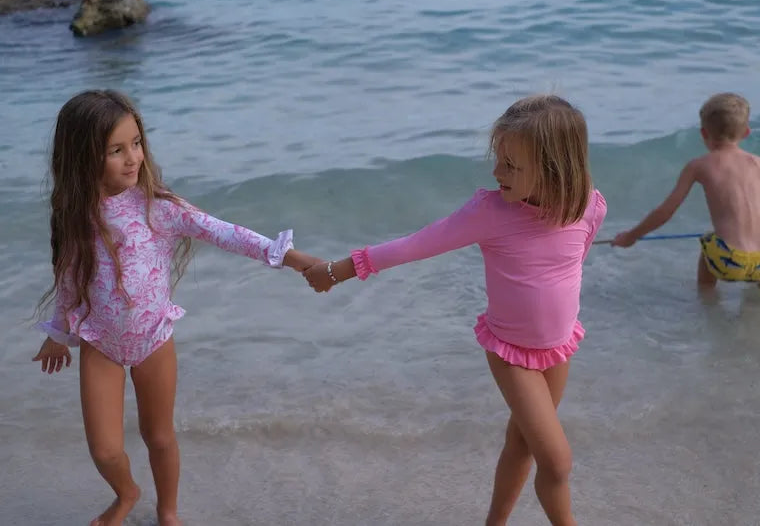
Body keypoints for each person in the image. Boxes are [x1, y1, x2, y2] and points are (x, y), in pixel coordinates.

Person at [305, 95, 606, 526]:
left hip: (559, 346)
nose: (496, 173)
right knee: (557, 462)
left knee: (522, 445)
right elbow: (414, 245)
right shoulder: (489, 211)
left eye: (510, 165)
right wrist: (337, 271)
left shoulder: (589, 206)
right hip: (510, 349)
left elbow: (572, 265)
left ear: (554, 167)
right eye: (498, 160)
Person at [32, 90, 319, 526]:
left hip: (153, 340)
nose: (133, 158)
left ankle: (169, 514)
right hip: (100, 341)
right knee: (105, 450)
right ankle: (126, 493)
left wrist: (289, 258)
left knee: (159, 436)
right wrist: (58, 333)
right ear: (82, 156)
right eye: (116, 150)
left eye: (136, 143)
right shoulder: (76, 214)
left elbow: (226, 233)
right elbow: (71, 277)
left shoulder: (157, 207)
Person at [612, 93, 760, 301]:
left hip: (728, 260)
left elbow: (665, 212)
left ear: (703, 133)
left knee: (709, 243)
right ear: (746, 132)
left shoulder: (699, 166)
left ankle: (708, 301)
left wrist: (632, 236)